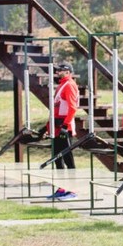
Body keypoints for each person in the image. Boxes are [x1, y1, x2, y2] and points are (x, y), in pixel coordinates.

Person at [46, 62, 79, 201]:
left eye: (61, 70)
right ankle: (61, 187)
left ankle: (73, 190)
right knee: (57, 159)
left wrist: (65, 126)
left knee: (67, 159)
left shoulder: (69, 85)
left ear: (68, 72)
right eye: (58, 70)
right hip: (57, 126)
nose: (58, 72)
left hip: (64, 127)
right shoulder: (62, 85)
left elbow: (72, 108)